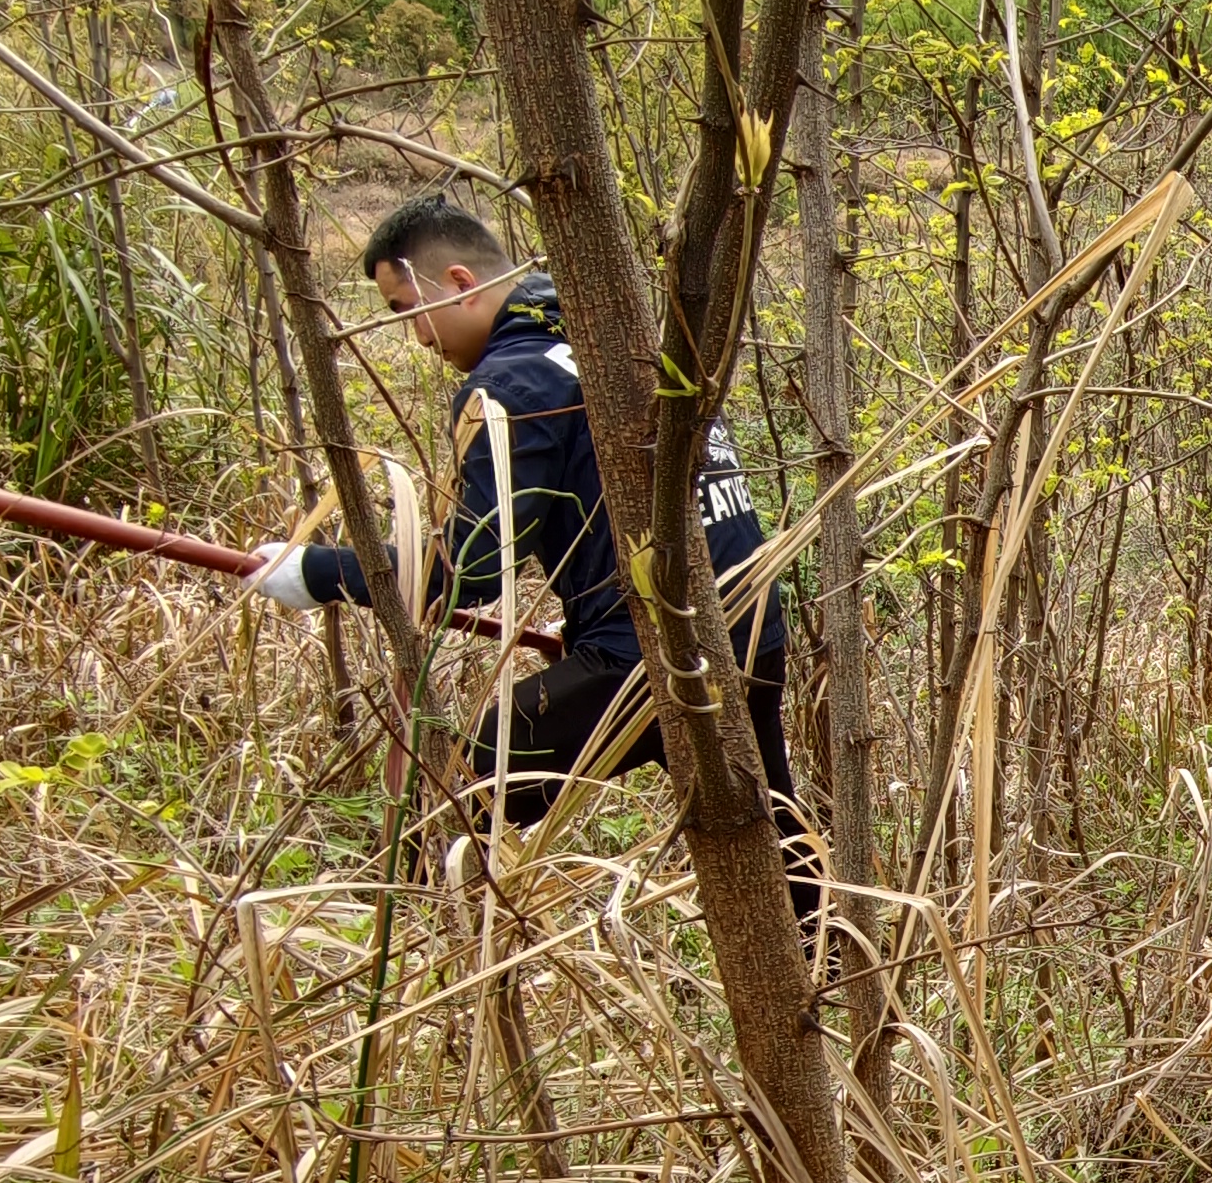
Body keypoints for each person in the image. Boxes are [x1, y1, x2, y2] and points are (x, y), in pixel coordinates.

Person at [245, 195, 813, 927]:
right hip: (754, 630)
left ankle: (418, 952)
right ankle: (827, 964)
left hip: (646, 660)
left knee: (453, 796)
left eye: (406, 309)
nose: (415, 335)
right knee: (768, 819)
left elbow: (472, 568)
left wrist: (315, 573)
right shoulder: (623, 340)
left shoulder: (513, 386)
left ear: (458, 283)